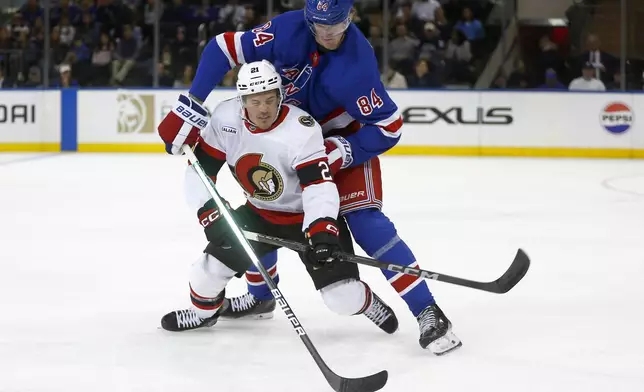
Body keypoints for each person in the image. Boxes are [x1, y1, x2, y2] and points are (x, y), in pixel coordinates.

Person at [158, 0, 461, 355]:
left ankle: (427, 311)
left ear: (351, 17)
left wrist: (343, 149)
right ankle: (260, 299)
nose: (328, 34)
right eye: (320, 26)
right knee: (263, 201)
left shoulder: (357, 65)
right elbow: (223, 46)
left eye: (337, 25)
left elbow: (389, 127)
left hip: (337, 141)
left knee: (366, 224)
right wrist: (192, 103)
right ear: (307, 18)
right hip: (281, 130)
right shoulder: (286, 30)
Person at [161, 60, 398, 335]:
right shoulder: (225, 119)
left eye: (269, 100)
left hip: (304, 219)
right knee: (204, 274)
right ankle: (205, 314)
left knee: (342, 299)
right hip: (259, 213)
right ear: (242, 100)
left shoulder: (301, 129)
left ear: (280, 96)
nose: (263, 109)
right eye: (255, 101)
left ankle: (366, 302)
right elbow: (200, 172)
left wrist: (321, 229)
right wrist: (211, 213)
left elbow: (318, 186)